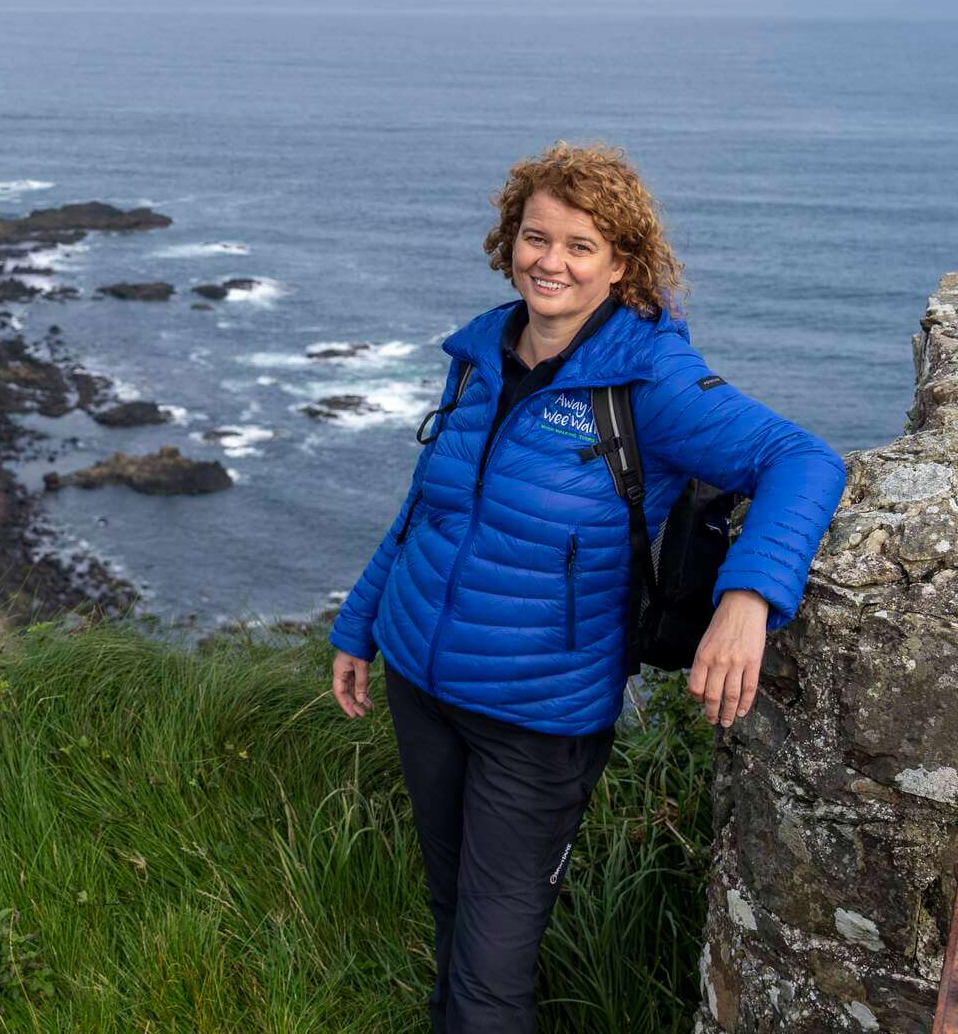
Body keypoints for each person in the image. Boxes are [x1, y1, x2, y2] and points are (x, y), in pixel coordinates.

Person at [326, 142, 847, 1032]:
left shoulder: (649, 381)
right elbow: (430, 507)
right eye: (536, 237)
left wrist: (747, 600)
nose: (550, 261)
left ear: (622, 264)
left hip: (540, 719)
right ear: (508, 239)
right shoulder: (482, 351)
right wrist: (361, 621)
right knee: (452, 907)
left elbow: (801, 458)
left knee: (494, 960)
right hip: (423, 681)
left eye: (580, 245)